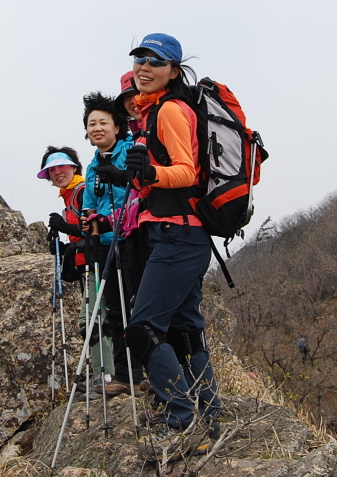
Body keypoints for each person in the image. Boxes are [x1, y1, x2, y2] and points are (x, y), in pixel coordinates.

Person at [121, 33, 223, 457]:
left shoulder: (169, 111)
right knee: (186, 330)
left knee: (142, 330)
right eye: (140, 58)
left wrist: (152, 176)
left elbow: (188, 173)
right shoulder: (153, 113)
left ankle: (181, 421)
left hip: (178, 236)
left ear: (173, 71)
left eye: (155, 61)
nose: (144, 67)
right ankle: (210, 413)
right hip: (179, 234)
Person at [78, 92, 142, 398]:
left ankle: (150, 372)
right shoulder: (91, 167)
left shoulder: (131, 151)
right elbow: (89, 204)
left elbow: (138, 196)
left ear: (118, 127)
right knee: (115, 311)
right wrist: (87, 221)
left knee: (137, 306)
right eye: (92, 124)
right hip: (104, 244)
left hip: (132, 239)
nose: (97, 128)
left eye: (103, 122)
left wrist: (110, 220)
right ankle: (124, 374)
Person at [38, 146, 114, 391]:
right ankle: (105, 373)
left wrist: (67, 228)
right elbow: (78, 237)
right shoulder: (69, 196)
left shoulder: (83, 191)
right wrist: (62, 243)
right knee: (97, 319)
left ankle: (107, 376)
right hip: (86, 266)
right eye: (52, 169)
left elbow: (96, 226)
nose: (58, 172)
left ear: (74, 167)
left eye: (62, 166)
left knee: (91, 320)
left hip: (97, 264)